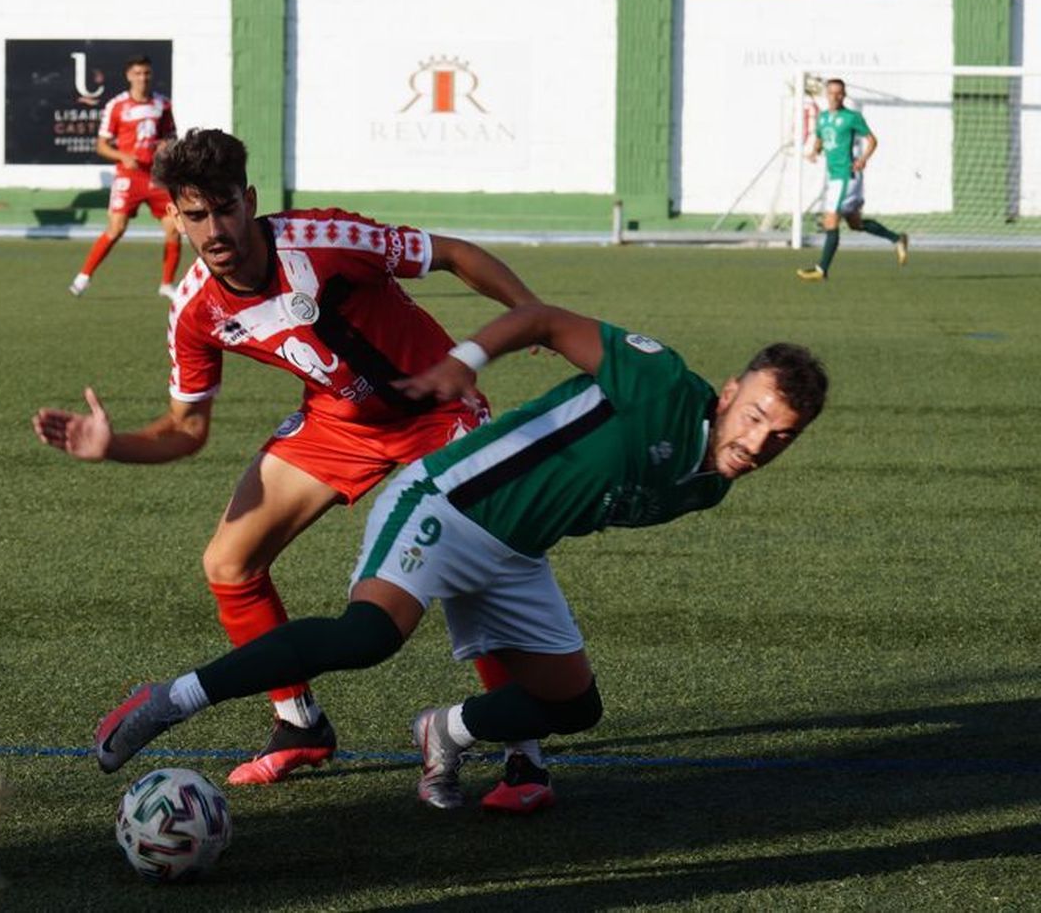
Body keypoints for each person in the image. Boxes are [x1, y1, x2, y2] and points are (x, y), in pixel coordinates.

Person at [92, 304, 828, 812]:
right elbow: (539, 319)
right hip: (447, 503)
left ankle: (445, 731)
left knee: (576, 706)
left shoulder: (711, 486)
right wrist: (464, 361)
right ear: (730, 393)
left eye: (782, 436)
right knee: (368, 636)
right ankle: (169, 700)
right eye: (755, 416)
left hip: (516, 556)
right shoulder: (661, 383)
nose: (760, 441)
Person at [35, 128, 547, 798]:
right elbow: (187, 431)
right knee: (228, 562)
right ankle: (298, 723)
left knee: (468, 565)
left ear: (248, 201)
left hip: (436, 408)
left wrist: (529, 312)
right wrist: (113, 445)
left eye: (225, 208)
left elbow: (446, 253)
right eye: (196, 215)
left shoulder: (325, 240)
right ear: (174, 216)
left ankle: (524, 751)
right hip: (338, 421)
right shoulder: (195, 309)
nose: (215, 228)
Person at [68, 55, 182, 299]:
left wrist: (166, 145)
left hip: (157, 177)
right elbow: (101, 145)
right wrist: (122, 156)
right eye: (138, 73)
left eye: (146, 73)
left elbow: (172, 138)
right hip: (128, 177)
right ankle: (84, 276)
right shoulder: (117, 105)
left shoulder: (163, 104)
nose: (143, 78)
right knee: (116, 228)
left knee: (174, 229)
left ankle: (166, 284)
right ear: (129, 75)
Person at [798, 77, 907, 281]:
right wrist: (814, 151)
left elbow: (873, 140)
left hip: (847, 176)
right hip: (836, 177)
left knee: (830, 219)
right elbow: (821, 137)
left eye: (839, 93)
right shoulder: (822, 118)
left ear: (844, 95)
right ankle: (897, 239)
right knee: (855, 224)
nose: (835, 96)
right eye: (831, 92)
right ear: (826, 94)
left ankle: (822, 269)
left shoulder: (851, 117)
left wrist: (863, 159)